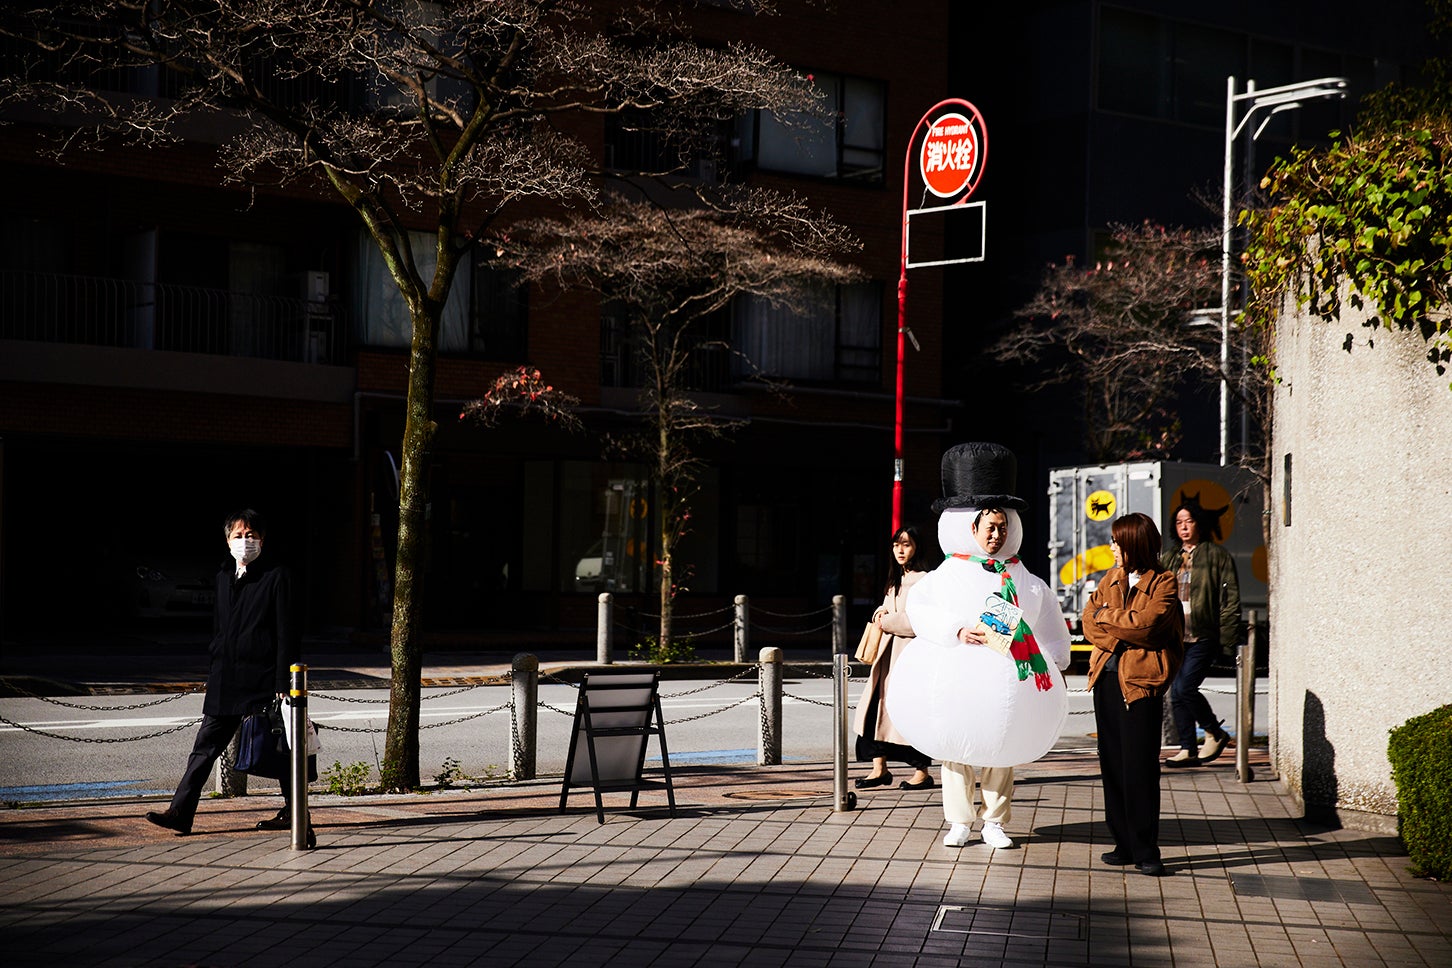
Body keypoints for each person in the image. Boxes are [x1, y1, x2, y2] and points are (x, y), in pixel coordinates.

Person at [892, 443, 1072, 852]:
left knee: (1001, 753)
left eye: (1002, 526)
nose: (996, 535)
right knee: (955, 751)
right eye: (989, 527)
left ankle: (994, 821)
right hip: (957, 681)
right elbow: (920, 608)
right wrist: (956, 630)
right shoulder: (947, 573)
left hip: (1010, 678)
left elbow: (1047, 612)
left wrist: (1056, 654)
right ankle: (959, 820)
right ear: (970, 528)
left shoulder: (1021, 576)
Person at [145, 509, 312, 846]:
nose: (245, 541)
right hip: (226, 678)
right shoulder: (223, 576)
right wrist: (215, 659)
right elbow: (220, 628)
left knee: (281, 748)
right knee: (204, 747)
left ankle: (297, 815)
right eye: (238, 535)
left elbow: (287, 633)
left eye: (251, 535)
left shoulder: (277, 576)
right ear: (227, 541)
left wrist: (283, 682)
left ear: (262, 540)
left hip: (264, 679)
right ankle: (180, 812)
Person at [1083, 512, 1184, 876]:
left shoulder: (1164, 582)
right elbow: (1088, 621)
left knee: (1139, 768)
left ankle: (1146, 849)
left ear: (1134, 545)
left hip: (1141, 684)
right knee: (1112, 765)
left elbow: (1149, 626)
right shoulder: (1111, 577)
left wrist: (1108, 617)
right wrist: (1120, 629)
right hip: (1106, 681)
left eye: (1117, 542)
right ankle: (1123, 843)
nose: (1112, 547)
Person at [1161, 498, 1241, 768]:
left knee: (1185, 687)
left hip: (1203, 634)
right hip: (1175, 637)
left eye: (1189, 521)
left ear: (1199, 524)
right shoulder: (1170, 558)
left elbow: (1230, 600)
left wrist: (1227, 641)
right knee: (1175, 694)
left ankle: (1214, 731)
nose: (1184, 527)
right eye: (1179, 522)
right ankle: (1188, 748)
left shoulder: (1217, 556)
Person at [852, 525, 934, 790]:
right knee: (875, 711)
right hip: (886, 658)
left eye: (906, 544)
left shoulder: (924, 580)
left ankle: (922, 772)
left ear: (917, 548)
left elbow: (921, 621)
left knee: (908, 715)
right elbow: (888, 607)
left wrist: (887, 621)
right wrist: (879, 612)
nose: (900, 550)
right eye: (896, 544)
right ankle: (879, 768)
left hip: (908, 657)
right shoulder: (896, 578)